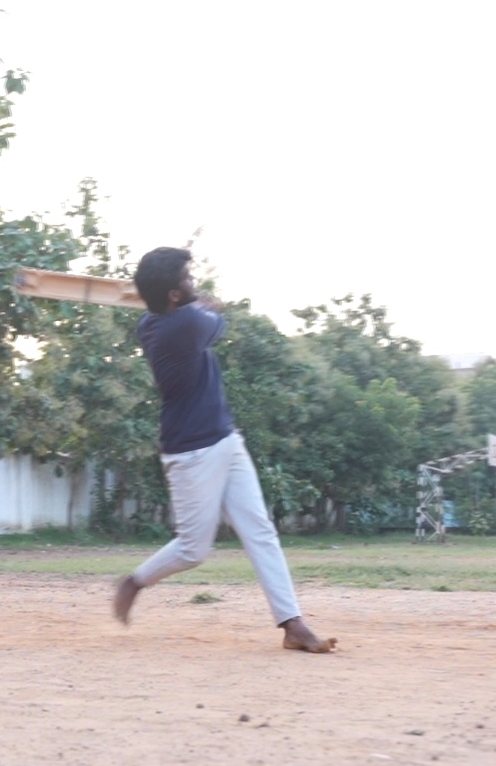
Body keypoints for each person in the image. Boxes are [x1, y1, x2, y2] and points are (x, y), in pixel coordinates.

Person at [109, 248, 335, 653]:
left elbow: (196, 311)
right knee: (193, 550)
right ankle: (135, 582)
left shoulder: (152, 322)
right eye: (187, 278)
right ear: (173, 295)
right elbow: (218, 320)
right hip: (191, 452)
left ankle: (292, 623)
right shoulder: (186, 325)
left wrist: (196, 301)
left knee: (260, 531)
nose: (193, 281)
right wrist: (207, 304)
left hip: (226, 439)